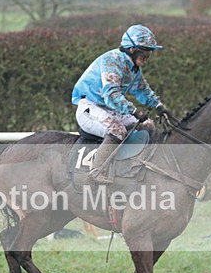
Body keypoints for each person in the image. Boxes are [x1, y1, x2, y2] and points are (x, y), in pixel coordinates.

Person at [72, 24, 171, 184]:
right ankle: (96, 171)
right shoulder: (112, 61)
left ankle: (134, 167)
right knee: (118, 130)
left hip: (107, 109)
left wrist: (159, 106)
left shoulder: (133, 68)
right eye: (145, 50)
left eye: (150, 51)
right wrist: (134, 111)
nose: (148, 55)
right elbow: (111, 94)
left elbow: (143, 90)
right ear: (132, 49)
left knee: (148, 125)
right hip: (89, 108)